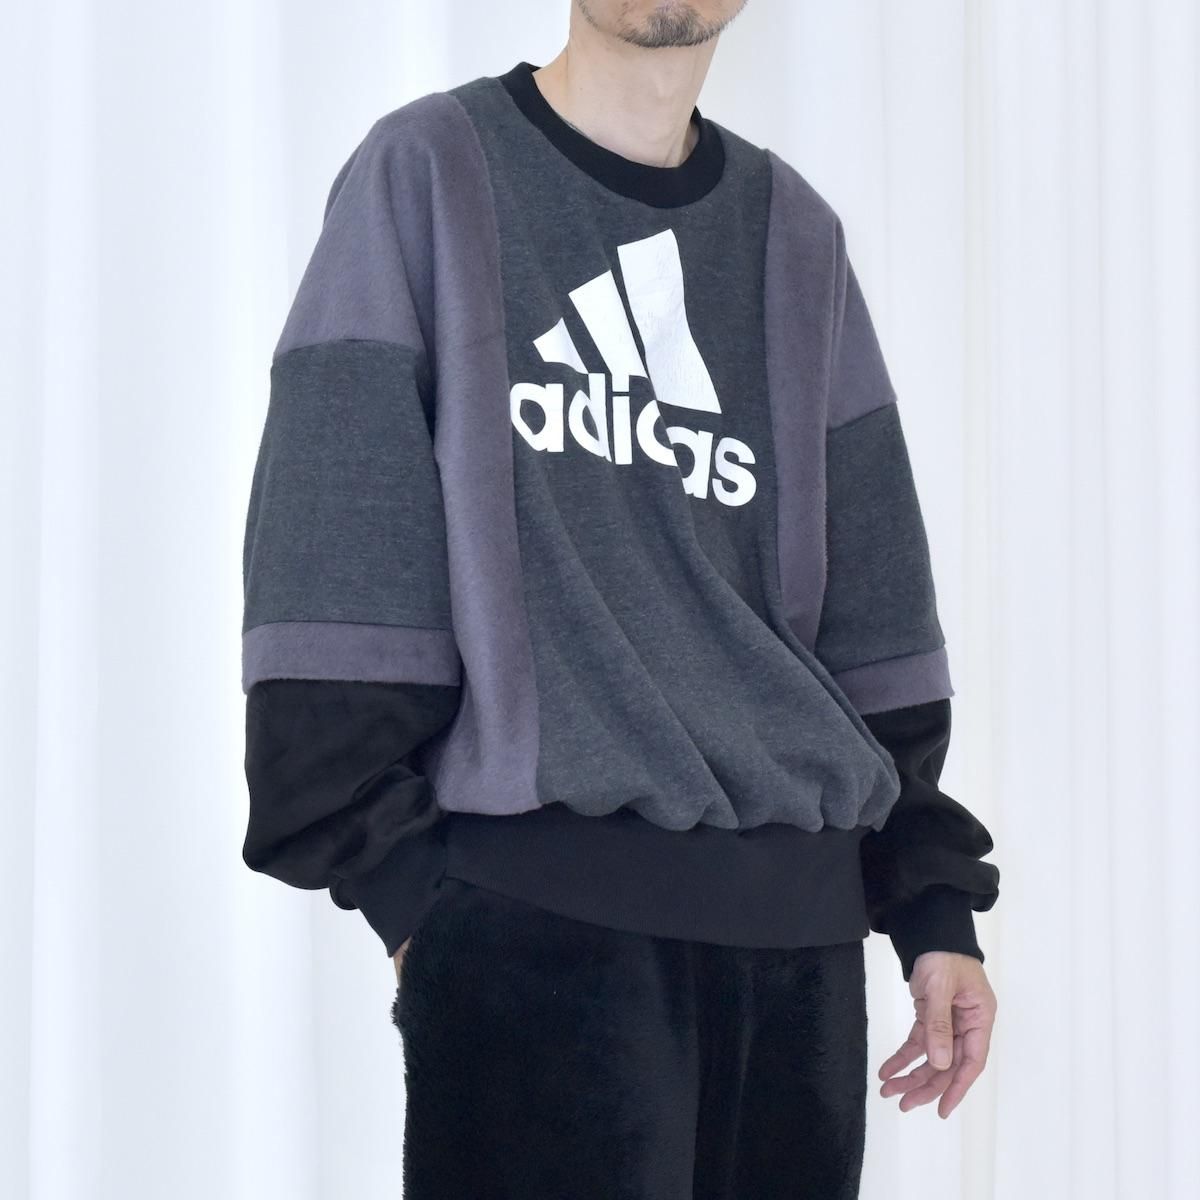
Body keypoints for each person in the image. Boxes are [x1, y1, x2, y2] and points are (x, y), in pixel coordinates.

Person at [238, 2, 1000, 1195]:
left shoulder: (796, 238)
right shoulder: (430, 173)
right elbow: (336, 543)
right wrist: (416, 898)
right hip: (536, 938)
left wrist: (933, 905)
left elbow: (877, 612)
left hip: (797, 962)